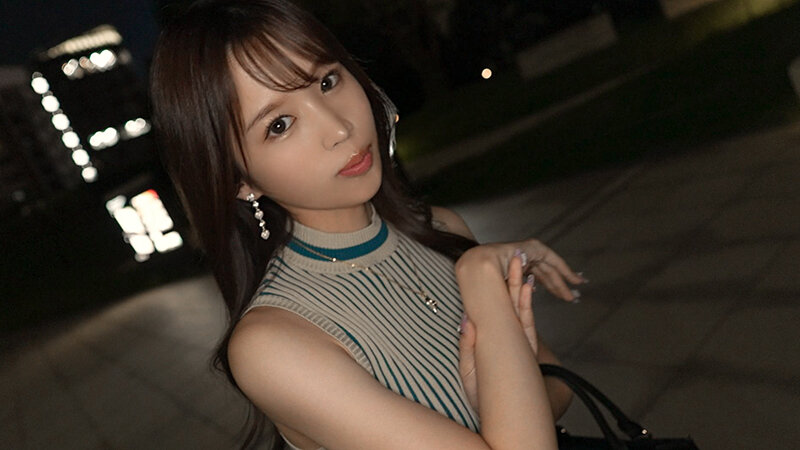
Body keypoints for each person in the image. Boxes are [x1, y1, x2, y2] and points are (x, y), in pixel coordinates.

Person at [150, 1, 586, 449]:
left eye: (327, 81)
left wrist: (494, 409)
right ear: (239, 180)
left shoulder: (441, 228)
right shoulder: (272, 343)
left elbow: (557, 382)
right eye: (279, 124)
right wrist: (482, 283)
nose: (339, 127)